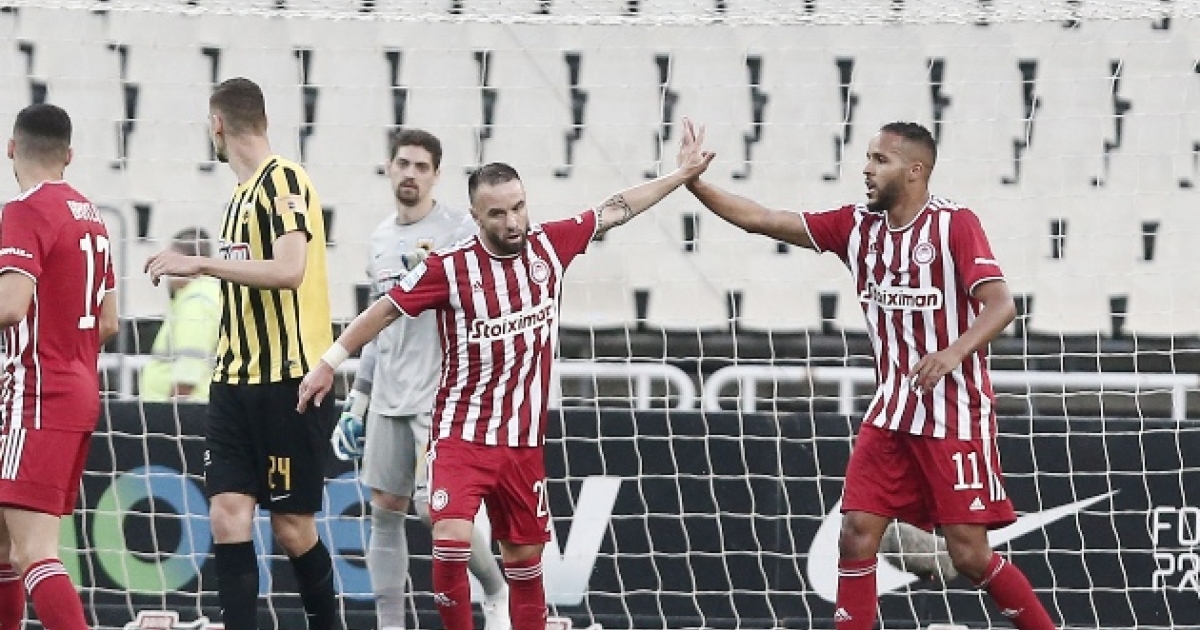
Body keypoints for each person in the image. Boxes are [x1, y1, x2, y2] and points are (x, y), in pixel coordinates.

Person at [297, 147, 715, 630]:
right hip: (461, 435)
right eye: (497, 213)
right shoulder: (450, 268)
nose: (512, 221)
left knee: (524, 562)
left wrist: (680, 175)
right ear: (475, 216)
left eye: (518, 207)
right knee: (450, 540)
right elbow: (385, 309)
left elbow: (615, 209)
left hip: (522, 444)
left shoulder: (549, 246)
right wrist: (329, 363)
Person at [678, 118, 1058, 630]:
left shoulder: (954, 225)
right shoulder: (856, 227)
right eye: (868, 158)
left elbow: (1001, 305)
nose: (867, 169)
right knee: (856, 532)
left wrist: (952, 353)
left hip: (954, 416)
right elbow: (763, 219)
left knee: (969, 556)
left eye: (881, 160)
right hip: (891, 413)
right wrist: (695, 184)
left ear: (915, 170)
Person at [144, 77, 338, 630]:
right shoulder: (236, 198)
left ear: (217, 125)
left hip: (289, 380)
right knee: (227, 516)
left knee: (292, 529)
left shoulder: (285, 179)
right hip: (233, 381)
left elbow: (290, 269)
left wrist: (201, 263)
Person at [330, 128, 511, 630]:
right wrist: (358, 402)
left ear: (436, 175)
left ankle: (495, 590)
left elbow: (488, 294)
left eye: (421, 167)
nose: (410, 174)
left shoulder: (460, 231)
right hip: (388, 395)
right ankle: (390, 624)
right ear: (390, 167)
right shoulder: (380, 239)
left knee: (435, 510)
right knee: (385, 509)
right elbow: (378, 323)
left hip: (440, 393)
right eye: (403, 163)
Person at [0, 103, 119, 630]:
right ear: (69, 155)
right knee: (5, 547)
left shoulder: (24, 210)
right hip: (75, 388)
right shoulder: (90, 214)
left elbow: (10, 305)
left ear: (11, 148)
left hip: (36, 395)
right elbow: (109, 321)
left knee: (34, 552)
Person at [140, 227, 221, 402]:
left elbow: (189, 366)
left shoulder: (196, 301)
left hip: (183, 408)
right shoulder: (205, 294)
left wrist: (174, 409)